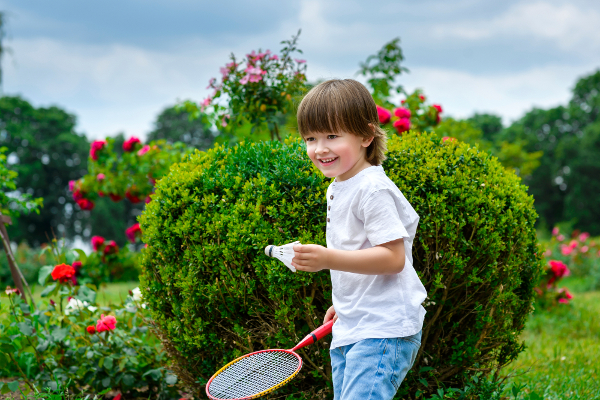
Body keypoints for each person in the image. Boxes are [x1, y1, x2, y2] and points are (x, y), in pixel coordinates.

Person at [291, 79, 427, 400]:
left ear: (366, 135)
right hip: (353, 324)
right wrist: (345, 303)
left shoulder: (372, 189)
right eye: (311, 138)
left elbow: (393, 259)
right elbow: (359, 252)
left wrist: (326, 258)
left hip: (383, 329)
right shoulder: (339, 187)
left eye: (332, 136)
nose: (320, 148)